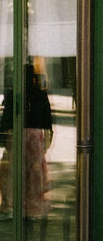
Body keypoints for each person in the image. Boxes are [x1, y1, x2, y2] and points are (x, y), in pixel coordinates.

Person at [0, 64, 53, 219]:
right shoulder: (39, 94)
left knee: (11, 172)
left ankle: (10, 206)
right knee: (34, 173)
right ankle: (32, 208)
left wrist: (3, 134)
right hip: (35, 136)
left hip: (16, 134)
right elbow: (46, 119)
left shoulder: (12, 93)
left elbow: (7, 116)